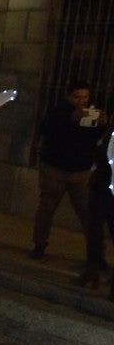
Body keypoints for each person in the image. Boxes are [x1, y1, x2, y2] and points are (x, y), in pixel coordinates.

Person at [32, 81, 108, 259]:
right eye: (77, 97)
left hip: (81, 172)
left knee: (88, 213)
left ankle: (96, 255)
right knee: (46, 209)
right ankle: (39, 245)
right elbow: (46, 130)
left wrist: (101, 124)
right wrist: (70, 120)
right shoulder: (59, 111)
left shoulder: (89, 113)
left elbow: (93, 140)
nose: (81, 101)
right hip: (55, 169)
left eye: (85, 97)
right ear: (68, 96)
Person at [77, 123, 114, 288]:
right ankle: (92, 270)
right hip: (100, 186)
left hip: (108, 186)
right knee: (94, 231)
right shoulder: (109, 129)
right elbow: (99, 151)